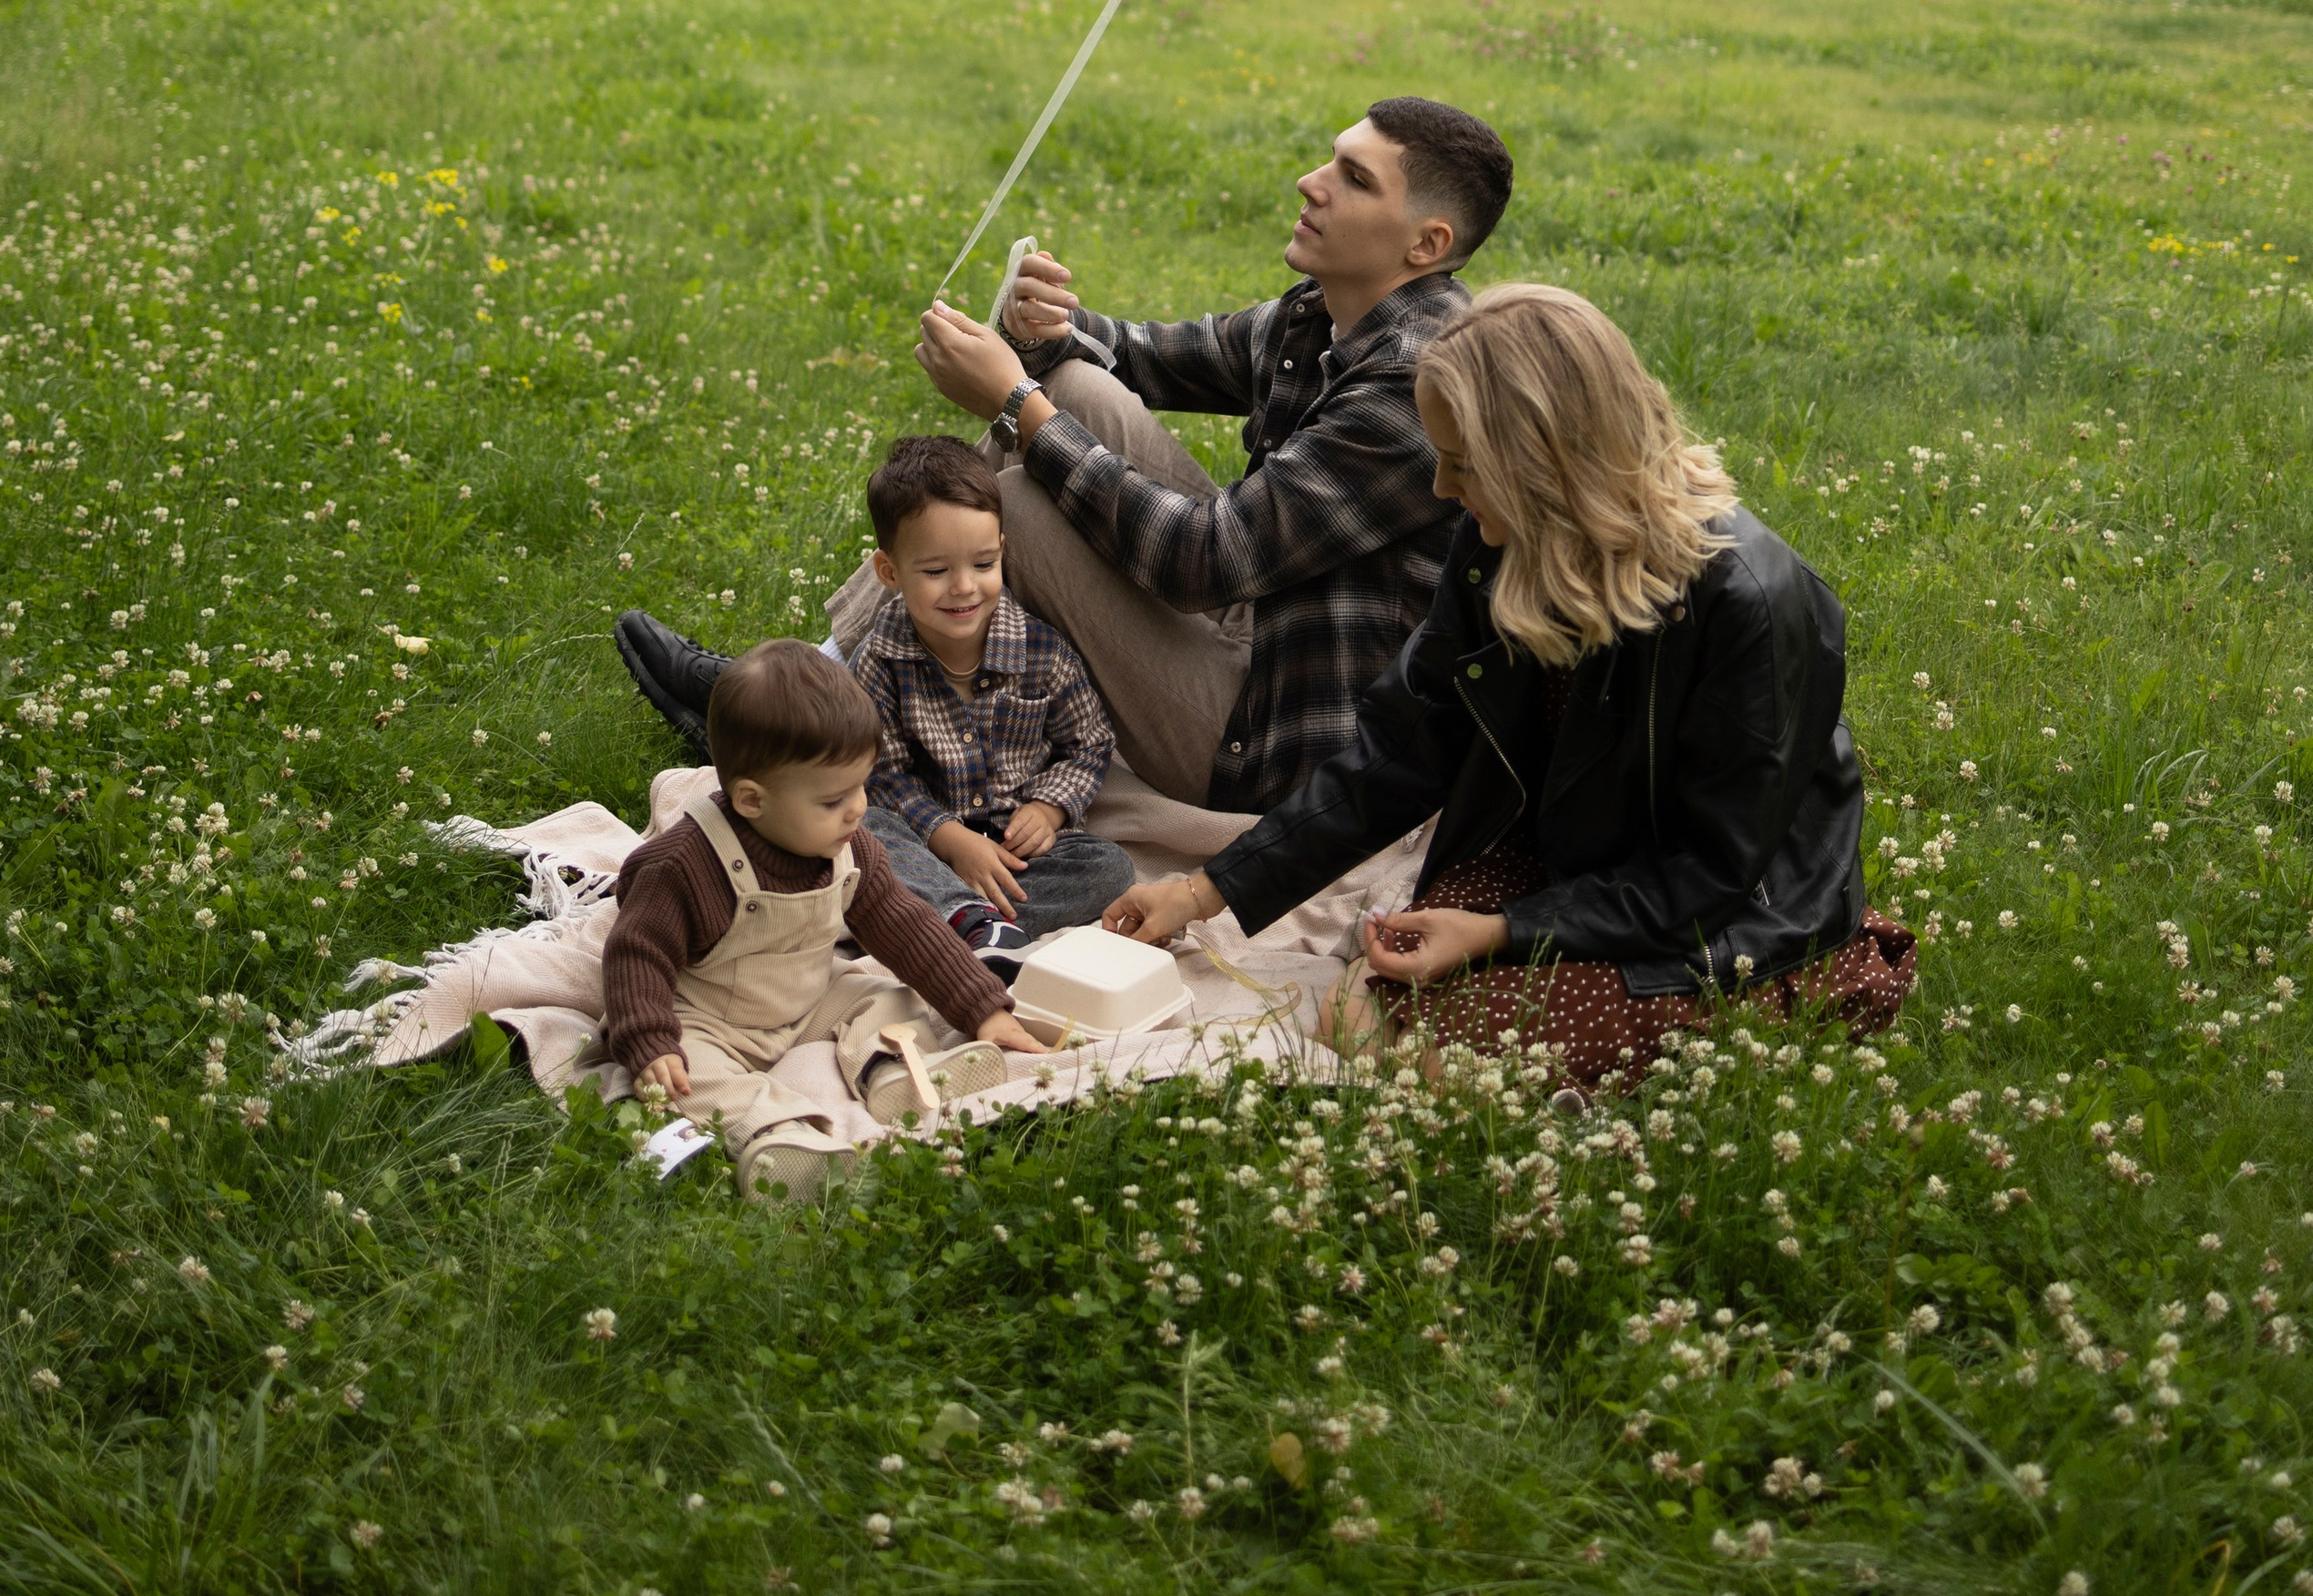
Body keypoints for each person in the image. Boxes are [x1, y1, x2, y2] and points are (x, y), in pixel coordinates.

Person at [613, 96, 1516, 814]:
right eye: (1329, 157)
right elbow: (1142, 355)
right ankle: (818, 684)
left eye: (1352, 178)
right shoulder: (1320, 311)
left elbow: (1205, 559)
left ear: (1425, 243)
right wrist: (1048, 331)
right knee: (1077, 396)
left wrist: (1013, 395)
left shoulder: (1411, 385)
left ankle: (794, 715)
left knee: (1027, 505)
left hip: (1280, 744)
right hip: (1260, 631)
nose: (1308, 181)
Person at [1104, 284, 1914, 1083]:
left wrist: (1499, 932)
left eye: (1463, 464)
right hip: (1563, 863)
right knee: (1372, 989)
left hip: (1720, 914)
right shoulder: (1500, 546)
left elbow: (1711, 875)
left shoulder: (1753, 603)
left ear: (1547, 464)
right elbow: (1401, 752)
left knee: (1439, 1047)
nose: (1443, 489)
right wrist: (1208, 890)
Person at [600, 642, 1039, 1197]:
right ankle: (778, 1133)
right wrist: (649, 1039)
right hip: (709, 1016)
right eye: (833, 800)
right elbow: (635, 952)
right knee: (680, 1076)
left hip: (805, 999)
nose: (858, 809)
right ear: (753, 801)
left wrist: (980, 1007)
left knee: (885, 994)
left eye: (861, 785)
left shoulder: (851, 848)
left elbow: (907, 926)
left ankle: (893, 1073)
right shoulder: (686, 865)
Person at [846, 436, 1137, 979]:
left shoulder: (1041, 652)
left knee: (1109, 868)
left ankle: (951, 923)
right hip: (927, 841)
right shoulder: (879, 662)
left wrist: (1050, 808)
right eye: (935, 572)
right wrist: (949, 840)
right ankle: (961, 917)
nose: (964, 588)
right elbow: (881, 776)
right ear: (889, 571)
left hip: (1013, 852)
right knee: (864, 833)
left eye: (983, 563)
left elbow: (1090, 742)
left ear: (1002, 548)